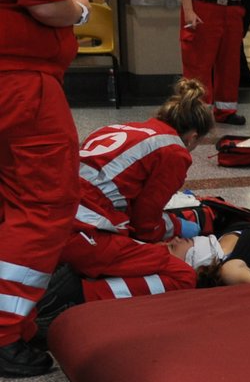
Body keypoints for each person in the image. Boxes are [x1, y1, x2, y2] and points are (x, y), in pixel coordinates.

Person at [0, 0, 89, 378]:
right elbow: (46, 3)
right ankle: (6, 330)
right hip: (22, 80)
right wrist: (77, 8)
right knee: (44, 203)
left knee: (11, 201)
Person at [57, 80, 213, 303]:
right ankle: (73, 297)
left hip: (51, 219)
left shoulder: (116, 128)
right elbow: (144, 225)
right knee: (182, 275)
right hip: (81, 233)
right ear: (193, 137)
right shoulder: (174, 151)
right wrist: (175, 228)